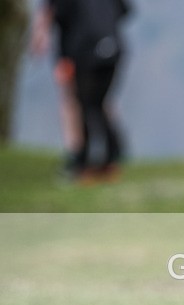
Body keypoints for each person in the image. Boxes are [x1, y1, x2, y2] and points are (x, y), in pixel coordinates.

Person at [30, 0, 130, 183]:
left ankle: (84, 160)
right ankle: (110, 157)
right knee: (97, 103)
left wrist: (63, 58)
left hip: (83, 51)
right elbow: (125, 11)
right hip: (112, 48)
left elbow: (59, 17)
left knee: (84, 105)